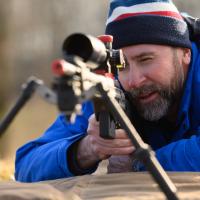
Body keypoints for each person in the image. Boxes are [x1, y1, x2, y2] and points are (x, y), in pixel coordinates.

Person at [15, 0, 200, 182]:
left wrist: (138, 164)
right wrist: (88, 148)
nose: (134, 81)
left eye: (146, 60)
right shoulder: (110, 86)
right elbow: (26, 164)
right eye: (123, 65)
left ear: (185, 53)